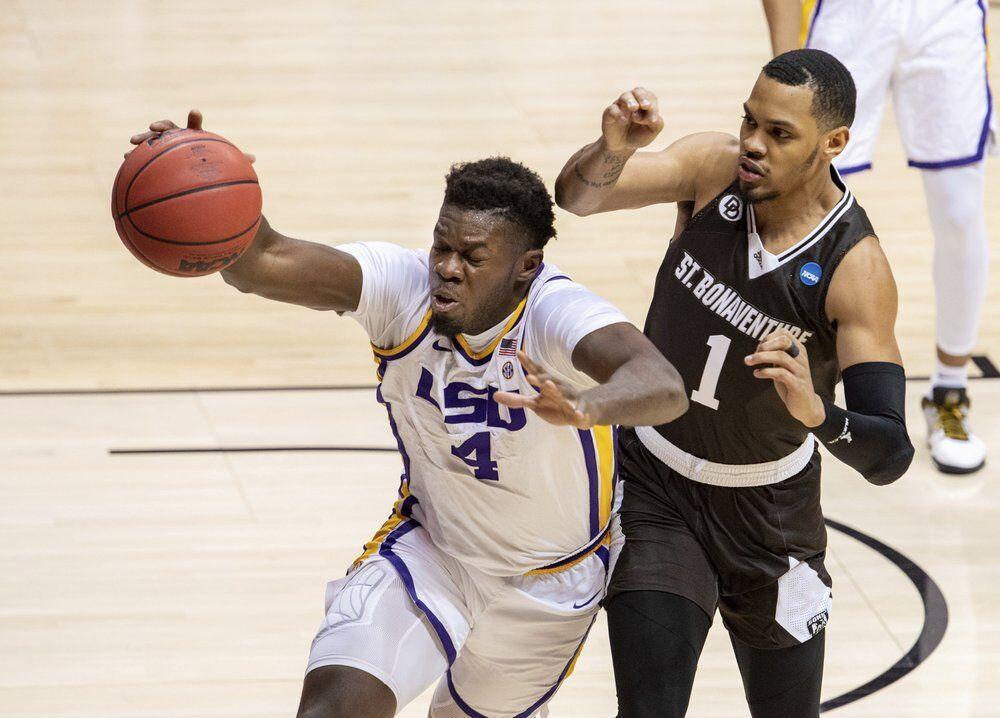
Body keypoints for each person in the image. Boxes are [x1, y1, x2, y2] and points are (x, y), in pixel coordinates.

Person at [127, 112, 689, 718]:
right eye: (441, 246)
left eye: (472, 257)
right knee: (335, 708)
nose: (447, 267)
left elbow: (663, 386)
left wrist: (584, 404)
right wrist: (209, 178)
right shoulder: (402, 286)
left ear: (525, 266)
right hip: (433, 549)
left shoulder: (556, 312)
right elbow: (260, 263)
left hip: (547, 584)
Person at [555, 50, 914, 717]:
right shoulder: (713, 170)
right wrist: (610, 149)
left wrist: (817, 411)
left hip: (771, 514)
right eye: (750, 121)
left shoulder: (855, 270)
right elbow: (576, 197)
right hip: (656, 487)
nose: (752, 143)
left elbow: (889, 453)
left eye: (779, 134)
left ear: (835, 143)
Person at [763, 0, 996, 474]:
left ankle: (950, 388)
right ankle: (781, 391)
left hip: (944, 17)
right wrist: (784, 70)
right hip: (852, 16)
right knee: (807, 201)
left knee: (960, 212)